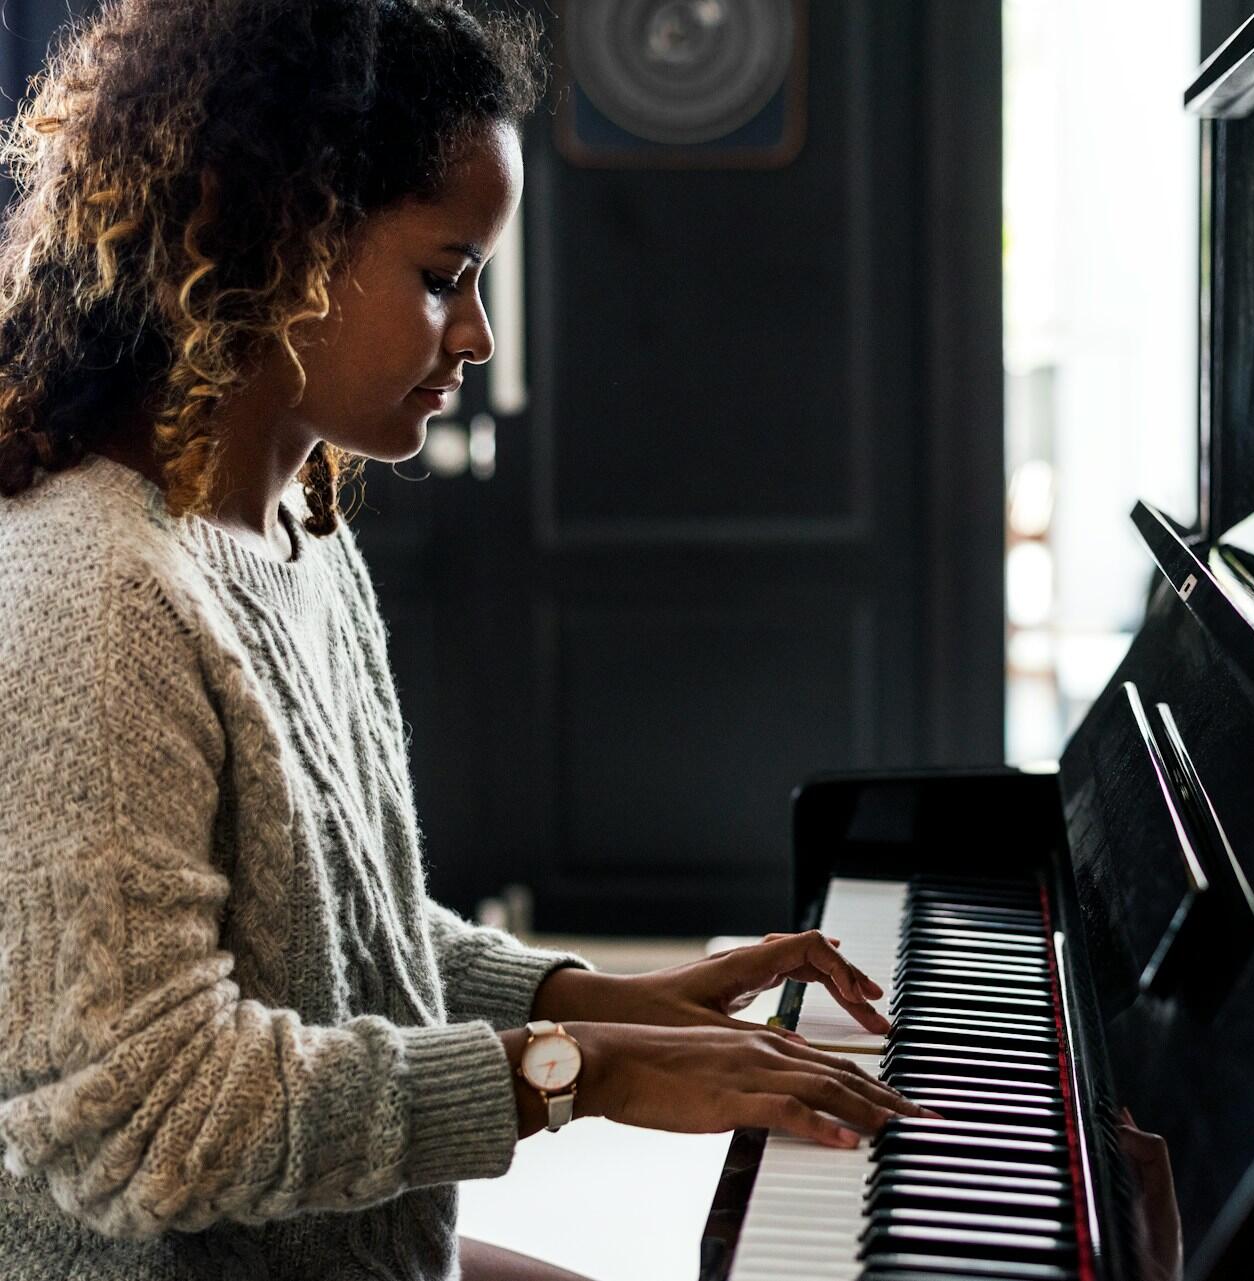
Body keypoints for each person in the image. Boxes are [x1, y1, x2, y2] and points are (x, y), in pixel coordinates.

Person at [0, 2, 923, 1277]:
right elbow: (138, 1118)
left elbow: (331, 936)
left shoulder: (295, 532)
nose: (476, 335)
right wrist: (573, 1073)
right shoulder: (95, 601)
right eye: (444, 277)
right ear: (269, 239)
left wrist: (586, 998)